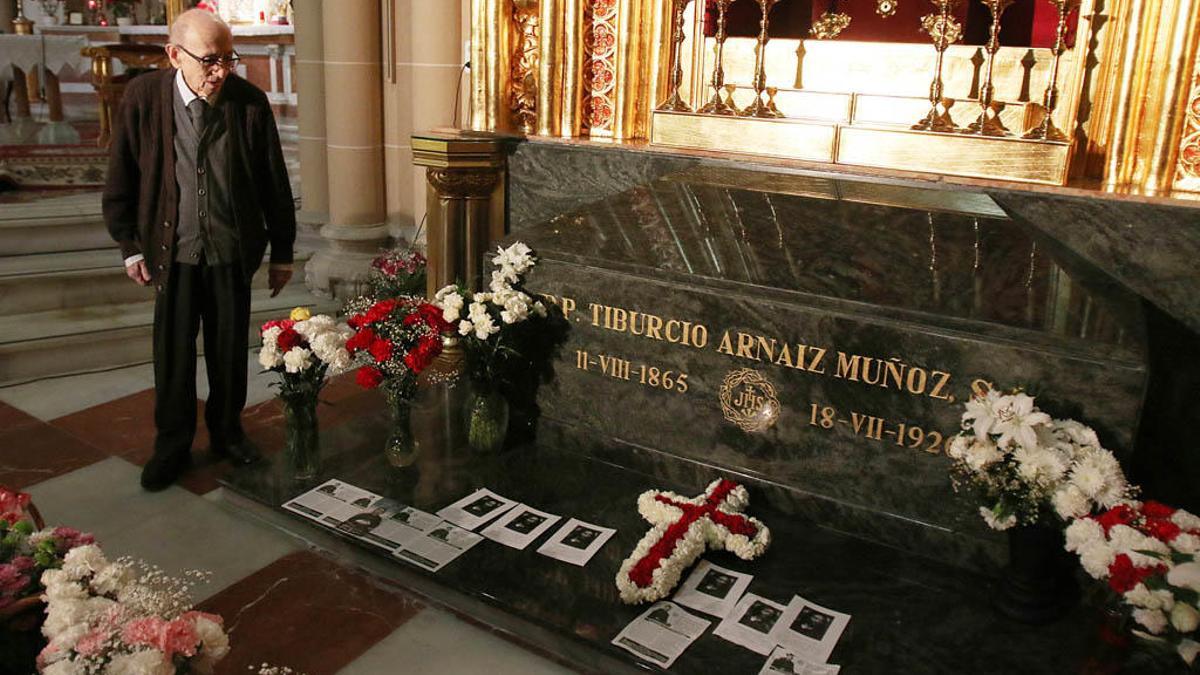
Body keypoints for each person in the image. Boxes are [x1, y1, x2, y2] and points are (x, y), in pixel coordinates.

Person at [104, 9, 295, 491]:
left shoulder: (248, 102)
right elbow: (121, 176)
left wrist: (283, 251)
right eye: (210, 61)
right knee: (172, 355)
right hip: (174, 253)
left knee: (229, 351)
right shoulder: (145, 97)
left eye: (228, 59)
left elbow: (274, 181)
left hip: (231, 250)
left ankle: (228, 434)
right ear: (174, 54)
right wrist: (129, 245)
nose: (221, 72)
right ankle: (172, 445)